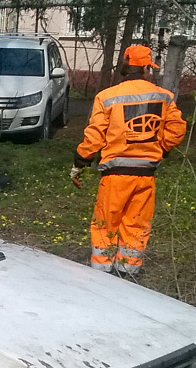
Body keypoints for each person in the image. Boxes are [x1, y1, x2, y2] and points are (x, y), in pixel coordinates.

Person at [71, 44, 186, 276]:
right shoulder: (163, 97)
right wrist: (161, 149)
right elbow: (177, 128)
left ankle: (100, 275)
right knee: (136, 226)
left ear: (126, 67)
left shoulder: (107, 97)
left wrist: (80, 162)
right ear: (145, 67)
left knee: (105, 226)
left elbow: (94, 136)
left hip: (115, 174)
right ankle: (127, 276)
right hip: (146, 177)